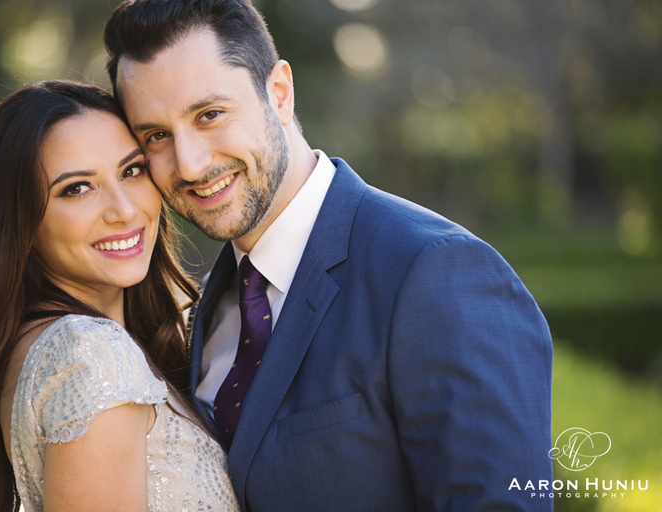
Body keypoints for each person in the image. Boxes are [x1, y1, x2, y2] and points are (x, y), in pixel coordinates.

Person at [104, 1, 554, 511]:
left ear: (279, 93)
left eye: (209, 114)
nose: (189, 163)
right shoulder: (209, 301)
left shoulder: (436, 273)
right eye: (156, 136)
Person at [0, 80, 240, 512]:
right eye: (77, 188)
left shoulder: (42, 345)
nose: (125, 210)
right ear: (19, 221)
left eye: (131, 170)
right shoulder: (92, 354)